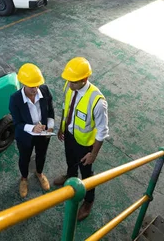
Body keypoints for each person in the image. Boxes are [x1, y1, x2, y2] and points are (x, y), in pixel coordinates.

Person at [54, 57, 109, 221]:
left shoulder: (98, 102)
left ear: (85, 79)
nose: (69, 85)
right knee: (70, 160)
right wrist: (62, 128)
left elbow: (102, 131)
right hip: (70, 136)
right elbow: (66, 107)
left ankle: (88, 201)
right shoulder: (70, 86)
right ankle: (70, 176)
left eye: (74, 82)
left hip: (85, 145)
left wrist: (93, 154)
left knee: (87, 173)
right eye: (68, 81)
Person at [9, 63, 54, 198]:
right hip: (25, 136)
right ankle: (24, 178)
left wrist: (50, 126)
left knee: (42, 154)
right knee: (24, 158)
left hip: (43, 134)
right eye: (31, 86)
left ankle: (39, 173)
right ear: (23, 84)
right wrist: (32, 128)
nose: (35, 89)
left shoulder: (44, 91)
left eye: (37, 85)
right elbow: (17, 123)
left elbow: (51, 111)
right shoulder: (15, 99)